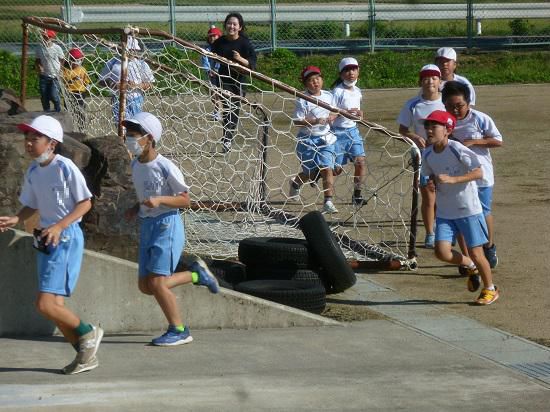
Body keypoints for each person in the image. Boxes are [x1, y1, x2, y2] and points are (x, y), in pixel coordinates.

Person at [0, 115, 103, 374]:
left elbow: (86, 203)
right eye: (27, 137)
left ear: (52, 143)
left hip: (65, 238)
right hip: (47, 240)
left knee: (45, 305)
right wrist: (16, 218)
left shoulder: (65, 167)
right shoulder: (34, 170)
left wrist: (59, 226)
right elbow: (31, 204)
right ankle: (85, 355)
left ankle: (89, 332)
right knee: (53, 307)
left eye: (35, 138)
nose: (29, 142)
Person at [122, 112, 220, 346]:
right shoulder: (135, 165)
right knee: (146, 286)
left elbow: (185, 200)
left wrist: (160, 201)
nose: (129, 140)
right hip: (148, 225)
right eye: (128, 135)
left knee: (157, 283)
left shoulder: (165, 166)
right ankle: (197, 274)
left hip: (167, 224)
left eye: (134, 136)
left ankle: (179, 329)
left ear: (150, 138)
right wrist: (136, 207)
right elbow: (146, 195)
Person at [421, 110, 499, 305]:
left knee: (477, 252)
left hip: (468, 210)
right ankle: (470, 265)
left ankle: (490, 289)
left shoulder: (457, 149)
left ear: (447, 130)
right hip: (446, 212)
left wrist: (453, 179)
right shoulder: (428, 153)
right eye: (427, 126)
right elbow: (430, 175)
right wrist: (431, 182)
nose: (429, 130)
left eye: (434, 126)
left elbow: (479, 172)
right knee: (442, 252)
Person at [442, 81, 503, 269]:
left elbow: (498, 141)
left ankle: (489, 246)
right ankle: (467, 258)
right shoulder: (443, 122)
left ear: (468, 102)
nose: (455, 110)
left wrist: (475, 141)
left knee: (483, 212)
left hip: (481, 175)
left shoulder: (480, 118)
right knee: (460, 214)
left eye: (459, 105)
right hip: (456, 177)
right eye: (450, 106)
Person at [397, 64, 445, 248]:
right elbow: (402, 130)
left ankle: (444, 230)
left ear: (440, 81)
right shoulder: (413, 104)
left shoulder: (445, 102)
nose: (430, 81)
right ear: (420, 81)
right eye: (426, 78)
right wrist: (415, 137)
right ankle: (430, 233)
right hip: (423, 156)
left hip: (444, 153)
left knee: (444, 194)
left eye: (434, 77)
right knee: (428, 195)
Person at [288, 66, 338, 214]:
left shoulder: (329, 96)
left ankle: (328, 201)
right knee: (311, 173)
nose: (315, 82)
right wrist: (314, 121)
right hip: (307, 140)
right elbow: (297, 121)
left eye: (317, 78)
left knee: (326, 168)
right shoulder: (303, 99)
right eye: (310, 80)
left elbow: (336, 111)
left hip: (326, 139)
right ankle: (296, 183)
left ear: (322, 79)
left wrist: (332, 116)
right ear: (305, 84)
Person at [211, 12, 257, 153]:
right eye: (229, 23)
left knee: (234, 108)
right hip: (224, 78)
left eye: (234, 24)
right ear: (225, 25)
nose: (231, 26)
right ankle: (227, 137)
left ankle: (228, 137)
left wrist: (240, 59)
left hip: (239, 79)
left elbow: (253, 62)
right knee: (227, 107)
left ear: (240, 27)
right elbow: (213, 58)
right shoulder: (219, 43)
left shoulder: (244, 43)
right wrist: (213, 69)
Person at [330, 57, 367, 206]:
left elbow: (356, 113)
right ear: (341, 74)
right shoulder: (337, 92)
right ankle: (316, 172)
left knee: (360, 162)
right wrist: (344, 112)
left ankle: (357, 195)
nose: (351, 73)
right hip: (336, 134)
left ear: (358, 71)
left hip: (352, 131)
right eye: (347, 70)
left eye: (354, 69)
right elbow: (330, 115)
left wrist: (359, 114)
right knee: (336, 170)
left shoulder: (358, 91)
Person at [98, 36, 155, 122]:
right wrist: (113, 84)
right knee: (121, 126)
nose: (132, 52)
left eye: (134, 50)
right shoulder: (112, 62)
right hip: (118, 98)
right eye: (130, 50)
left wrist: (136, 86)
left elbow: (150, 84)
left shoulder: (141, 64)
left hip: (135, 99)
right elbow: (101, 81)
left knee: (135, 126)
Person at [62, 47, 91, 131]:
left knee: (80, 111)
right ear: (70, 60)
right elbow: (64, 82)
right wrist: (73, 80)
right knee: (68, 112)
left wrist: (87, 87)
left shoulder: (82, 69)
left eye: (79, 61)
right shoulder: (66, 70)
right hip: (69, 93)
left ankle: (81, 128)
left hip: (80, 93)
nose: (76, 64)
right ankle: (68, 129)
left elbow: (86, 81)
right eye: (75, 61)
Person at [35, 29, 64, 113]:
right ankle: (46, 111)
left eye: (48, 37)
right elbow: (37, 60)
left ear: (52, 38)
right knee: (44, 96)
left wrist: (61, 70)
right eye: (44, 37)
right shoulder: (39, 48)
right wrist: (39, 67)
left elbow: (62, 60)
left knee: (54, 95)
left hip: (55, 76)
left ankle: (57, 109)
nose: (46, 38)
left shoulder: (57, 48)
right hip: (44, 76)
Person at [200, 26, 222, 122]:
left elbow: (221, 60)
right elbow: (205, 61)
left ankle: (219, 112)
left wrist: (216, 69)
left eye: (214, 36)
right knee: (213, 95)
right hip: (211, 75)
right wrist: (208, 70)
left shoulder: (222, 49)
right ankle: (217, 111)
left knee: (220, 94)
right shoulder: (207, 50)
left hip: (221, 75)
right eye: (210, 36)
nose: (212, 38)